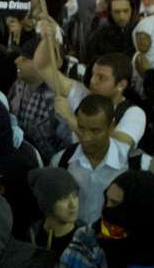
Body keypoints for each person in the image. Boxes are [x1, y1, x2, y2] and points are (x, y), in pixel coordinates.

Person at [48, 93, 133, 227]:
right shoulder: (60, 161)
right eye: (81, 128)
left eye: (95, 131)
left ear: (111, 126)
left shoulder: (134, 163)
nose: (86, 138)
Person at [29, 167, 82, 258]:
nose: (73, 205)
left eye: (75, 195)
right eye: (64, 198)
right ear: (47, 202)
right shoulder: (33, 233)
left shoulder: (85, 239)